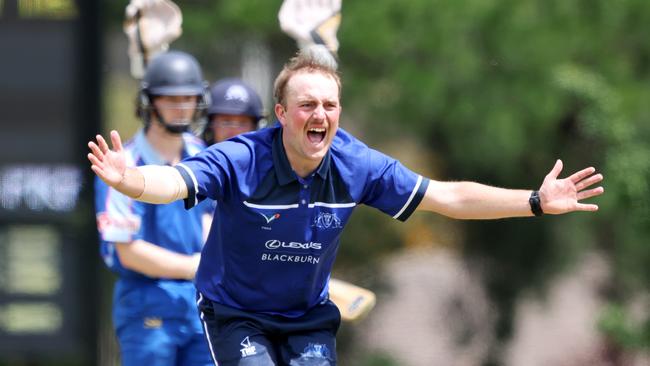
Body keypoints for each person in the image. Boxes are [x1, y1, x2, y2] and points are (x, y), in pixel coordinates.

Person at [88, 46, 605, 366]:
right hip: (234, 313)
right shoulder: (242, 158)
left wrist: (535, 201)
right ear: (282, 113)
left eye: (329, 105)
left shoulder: (359, 166)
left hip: (308, 315)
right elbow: (174, 183)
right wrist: (130, 180)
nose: (320, 114)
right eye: (307, 105)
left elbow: (447, 196)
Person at [94, 50, 214, 366]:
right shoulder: (122, 165)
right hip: (146, 303)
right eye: (170, 98)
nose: (181, 106)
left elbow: (210, 222)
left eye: (189, 97)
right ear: (149, 102)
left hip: (203, 305)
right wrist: (196, 266)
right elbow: (127, 251)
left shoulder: (203, 156)